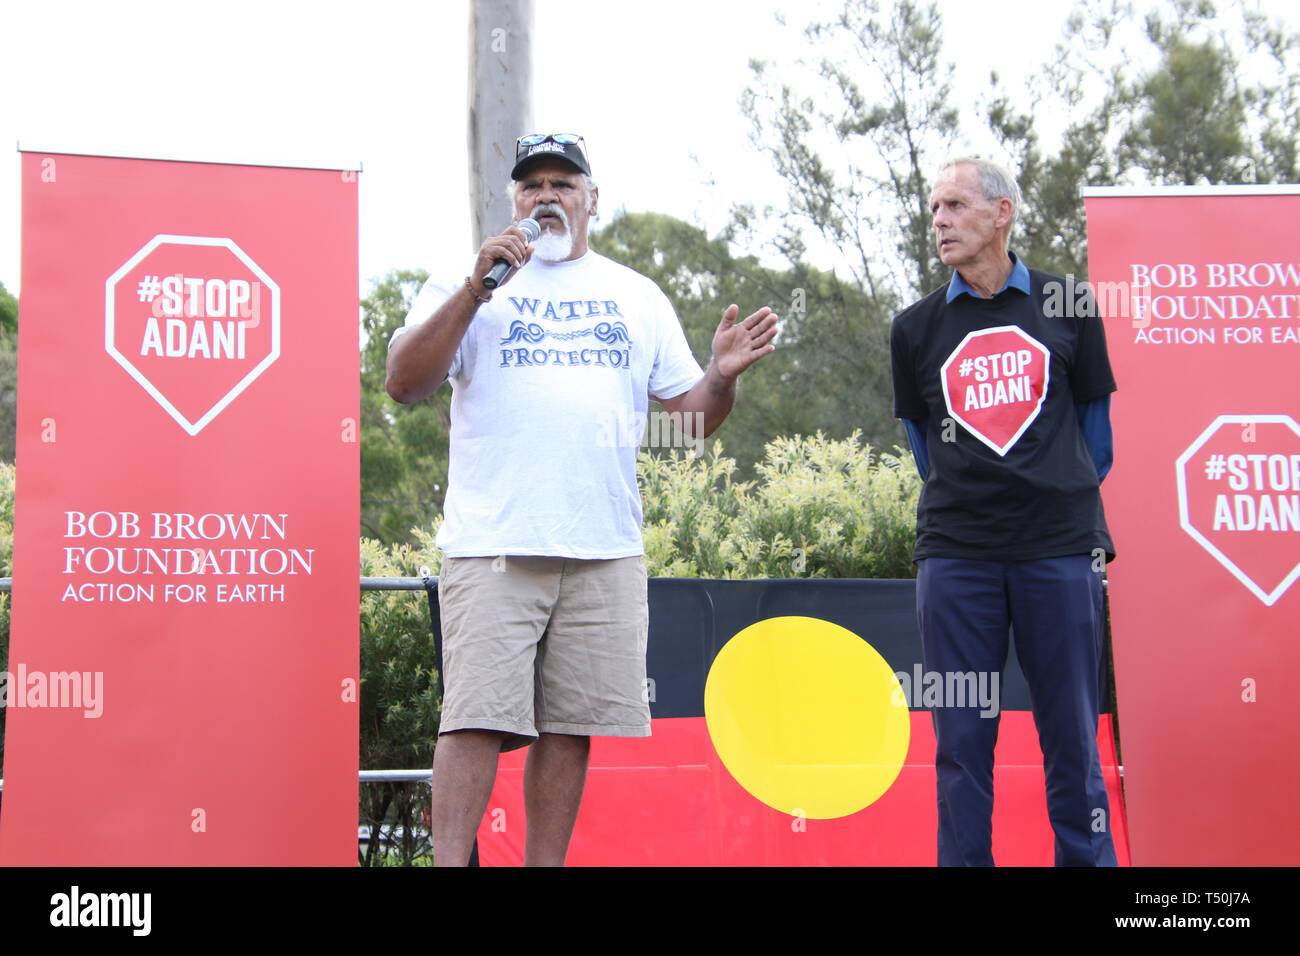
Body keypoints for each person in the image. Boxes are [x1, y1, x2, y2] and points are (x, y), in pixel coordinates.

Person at [386, 133, 777, 866]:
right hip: (493, 546)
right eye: (532, 185)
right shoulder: (467, 281)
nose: (547, 197)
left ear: (592, 200)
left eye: (564, 184)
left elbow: (687, 425)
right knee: (472, 722)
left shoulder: (635, 293)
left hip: (604, 550)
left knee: (569, 728)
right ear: (513, 203)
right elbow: (404, 384)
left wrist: (720, 377)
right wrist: (475, 291)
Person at [890, 156, 1118, 866]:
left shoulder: (1068, 303)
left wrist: (1048, 492)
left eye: (956, 206)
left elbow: (1094, 435)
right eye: (934, 210)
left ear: (1002, 214)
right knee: (961, 745)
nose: (941, 222)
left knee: (1073, 742)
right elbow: (923, 444)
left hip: (1060, 552)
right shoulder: (914, 328)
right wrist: (981, 496)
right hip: (958, 559)